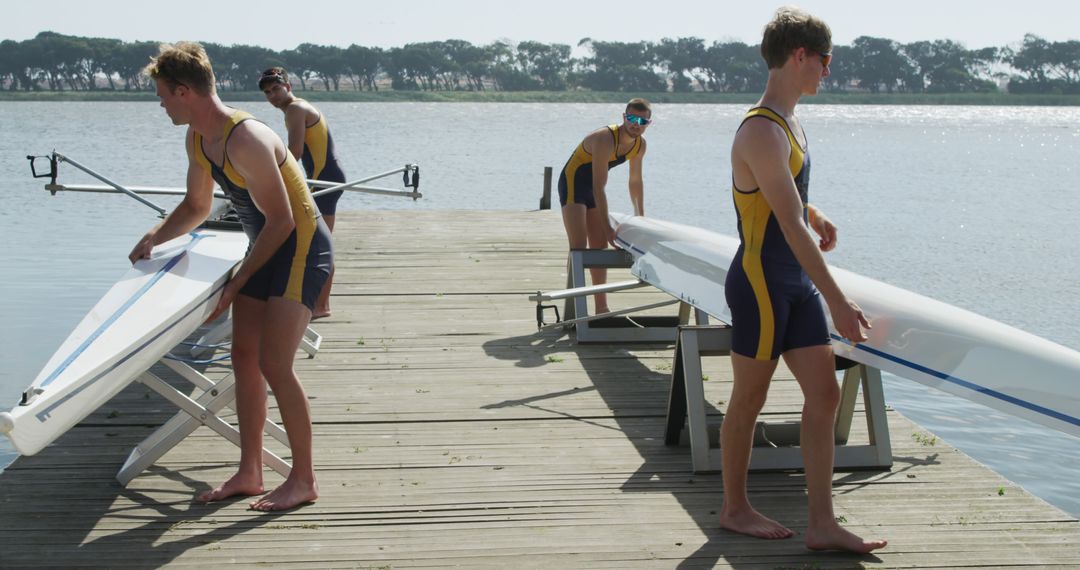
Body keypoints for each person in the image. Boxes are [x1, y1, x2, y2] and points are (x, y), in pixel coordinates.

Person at [132, 42, 331, 511]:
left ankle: (303, 480)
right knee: (243, 356)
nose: (160, 103)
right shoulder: (199, 139)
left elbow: (283, 221)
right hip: (265, 245)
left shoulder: (249, 138)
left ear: (184, 92)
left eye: (162, 94)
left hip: (299, 245)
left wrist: (234, 285)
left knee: (275, 364)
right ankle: (251, 471)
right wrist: (155, 236)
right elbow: (198, 207)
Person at [721, 7, 887, 553]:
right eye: (826, 60)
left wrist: (815, 212)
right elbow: (785, 227)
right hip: (762, 283)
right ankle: (735, 508)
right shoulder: (761, 129)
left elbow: (787, 203)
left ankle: (822, 523)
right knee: (750, 399)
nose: (828, 71)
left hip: (794, 283)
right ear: (800, 56)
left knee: (824, 393)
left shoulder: (791, 122)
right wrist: (840, 302)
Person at [259, 67, 346, 320]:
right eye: (267, 93)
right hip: (322, 178)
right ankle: (317, 302)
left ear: (289, 86)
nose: (272, 96)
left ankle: (321, 305)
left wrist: (266, 177)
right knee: (316, 241)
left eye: (276, 89)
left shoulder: (295, 110)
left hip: (325, 180)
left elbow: (293, 153)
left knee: (321, 244)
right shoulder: (297, 107)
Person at [558, 99, 649, 314]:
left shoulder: (640, 145)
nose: (636, 124)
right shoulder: (605, 138)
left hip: (593, 188)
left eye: (642, 120)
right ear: (624, 117)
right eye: (632, 118)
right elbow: (600, 185)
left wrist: (640, 218)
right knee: (579, 248)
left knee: (599, 247)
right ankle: (574, 310)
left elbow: (635, 181)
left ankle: (601, 308)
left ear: (648, 123)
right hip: (574, 183)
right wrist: (608, 228)